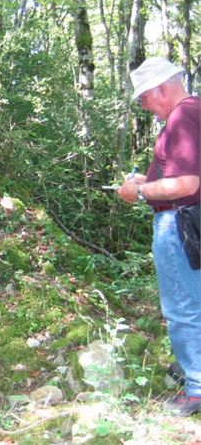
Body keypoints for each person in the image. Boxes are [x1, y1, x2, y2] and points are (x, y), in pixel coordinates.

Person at [118, 57, 200, 416]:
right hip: (190, 221)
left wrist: (138, 192)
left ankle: (196, 388)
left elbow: (186, 184)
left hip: (178, 223)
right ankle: (192, 368)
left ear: (161, 89)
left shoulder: (183, 117)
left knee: (182, 305)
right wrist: (147, 182)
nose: (145, 107)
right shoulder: (194, 112)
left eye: (145, 100)